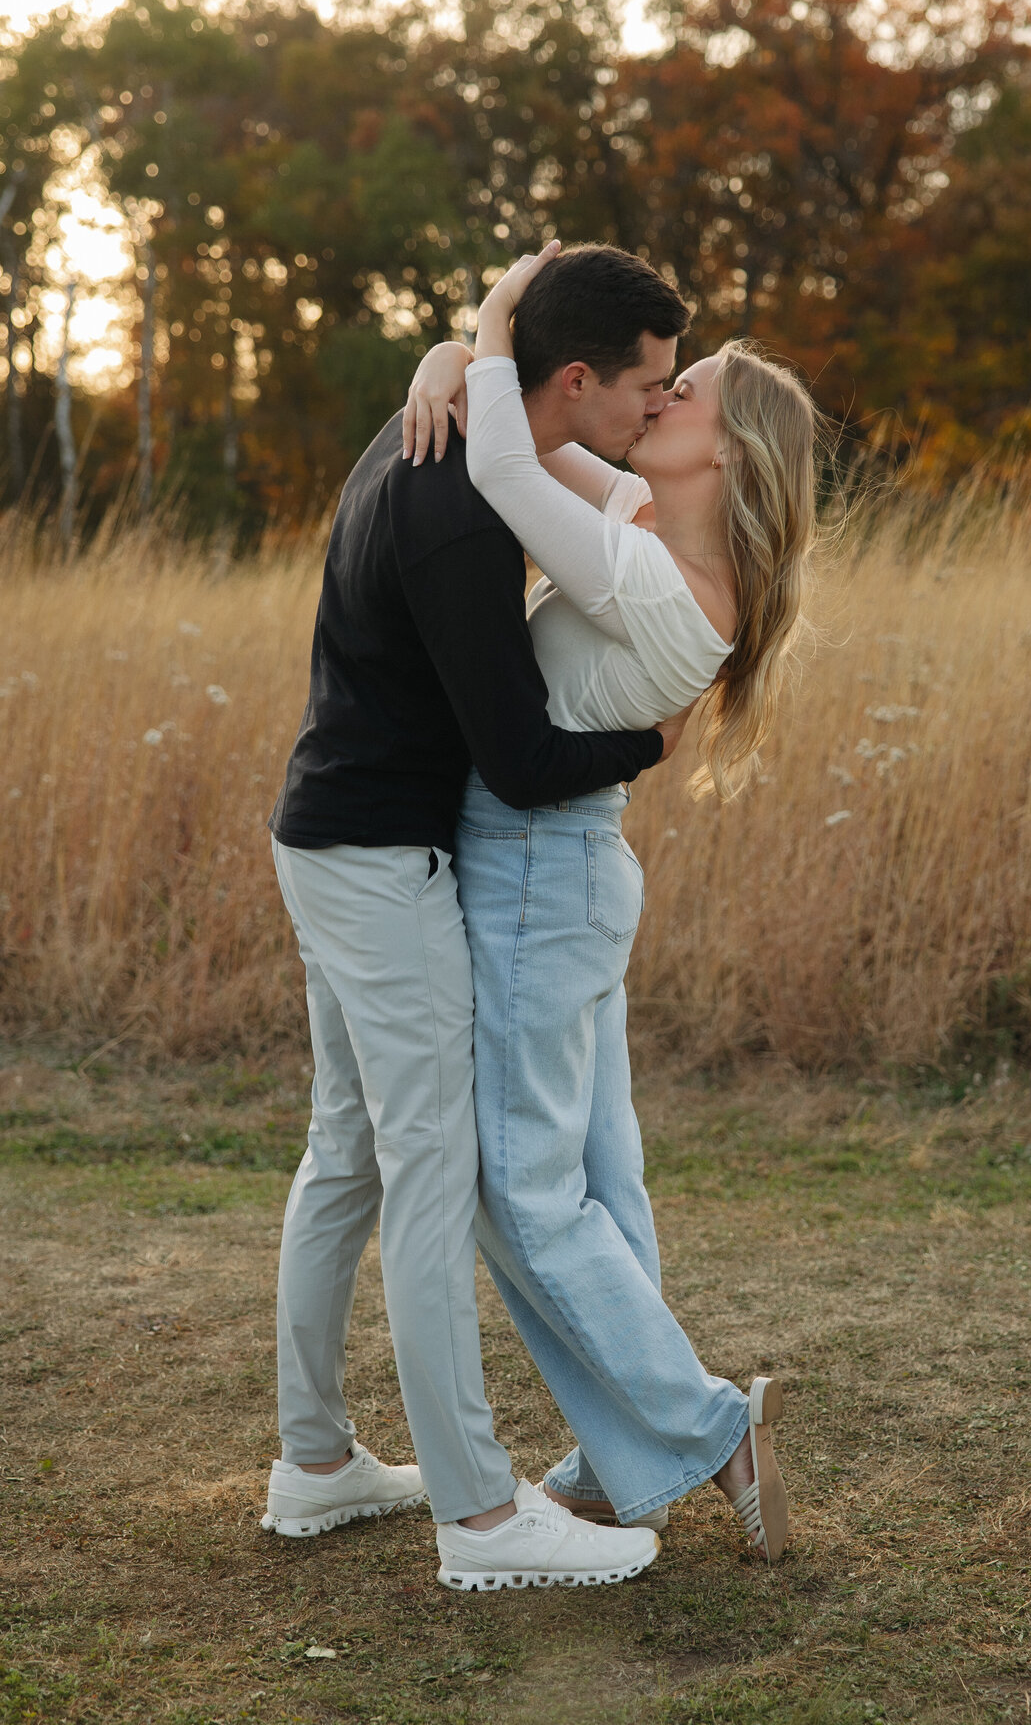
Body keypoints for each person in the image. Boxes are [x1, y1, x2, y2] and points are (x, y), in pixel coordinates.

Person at [262, 245, 694, 1592]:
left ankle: (317, 1465)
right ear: (576, 379)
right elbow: (513, 759)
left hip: (327, 835)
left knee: (349, 1155)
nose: (658, 413)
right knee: (432, 1169)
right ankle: (482, 1520)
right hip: (383, 861)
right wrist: (650, 746)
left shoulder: (429, 424)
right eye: (649, 388)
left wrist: (463, 340)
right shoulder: (459, 496)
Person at [402, 239, 819, 1561]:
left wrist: (486, 316)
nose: (655, 401)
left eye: (682, 395)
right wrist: (450, 359)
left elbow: (506, 464)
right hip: (566, 870)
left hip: (535, 872)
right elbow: (516, 427)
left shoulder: (653, 577)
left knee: (522, 1195)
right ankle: (615, 1451)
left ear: (728, 457)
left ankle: (706, 1429)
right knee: (593, 1175)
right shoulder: (649, 534)